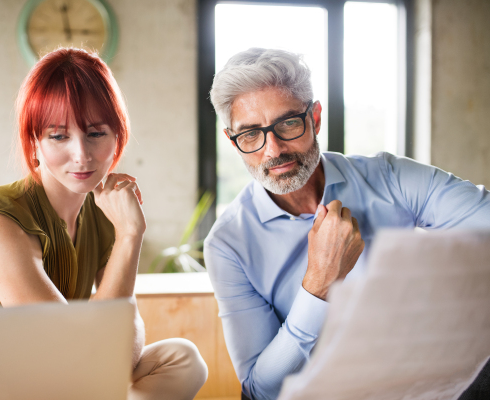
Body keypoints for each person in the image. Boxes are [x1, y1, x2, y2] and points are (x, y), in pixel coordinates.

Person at [0, 48, 207, 400]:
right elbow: (72, 359)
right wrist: (129, 236)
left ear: (118, 136)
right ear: (33, 143)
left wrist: (129, 235)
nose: (81, 155)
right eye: (58, 136)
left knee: (182, 358)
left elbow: (120, 353)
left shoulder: (103, 215)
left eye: (96, 133)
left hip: (45, 378)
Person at [204, 47, 490, 400]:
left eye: (288, 123)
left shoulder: (388, 177)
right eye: (250, 134)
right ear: (232, 141)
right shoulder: (228, 242)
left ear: (316, 118)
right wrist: (319, 285)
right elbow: (260, 391)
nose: (273, 150)